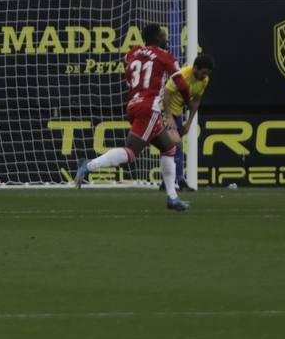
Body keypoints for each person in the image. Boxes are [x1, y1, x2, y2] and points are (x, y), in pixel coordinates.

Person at [74, 23, 193, 212]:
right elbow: (183, 85)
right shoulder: (165, 57)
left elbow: (128, 63)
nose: (166, 38)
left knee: (169, 148)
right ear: (157, 38)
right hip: (149, 108)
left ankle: (172, 197)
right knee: (131, 152)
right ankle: (89, 165)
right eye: (163, 35)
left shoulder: (134, 53)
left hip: (133, 104)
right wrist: (188, 100)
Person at [162, 53, 214, 193]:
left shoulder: (204, 80)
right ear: (195, 68)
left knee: (172, 147)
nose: (204, 76)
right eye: (203, 72)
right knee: (176, 145)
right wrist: (169, 117)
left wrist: (189, 122)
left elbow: (196, 100)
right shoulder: (182, 75)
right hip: (164, 111)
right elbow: (166, 94)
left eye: (207, 73)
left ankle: (166, 182)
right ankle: (179, 181)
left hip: (177, 113)